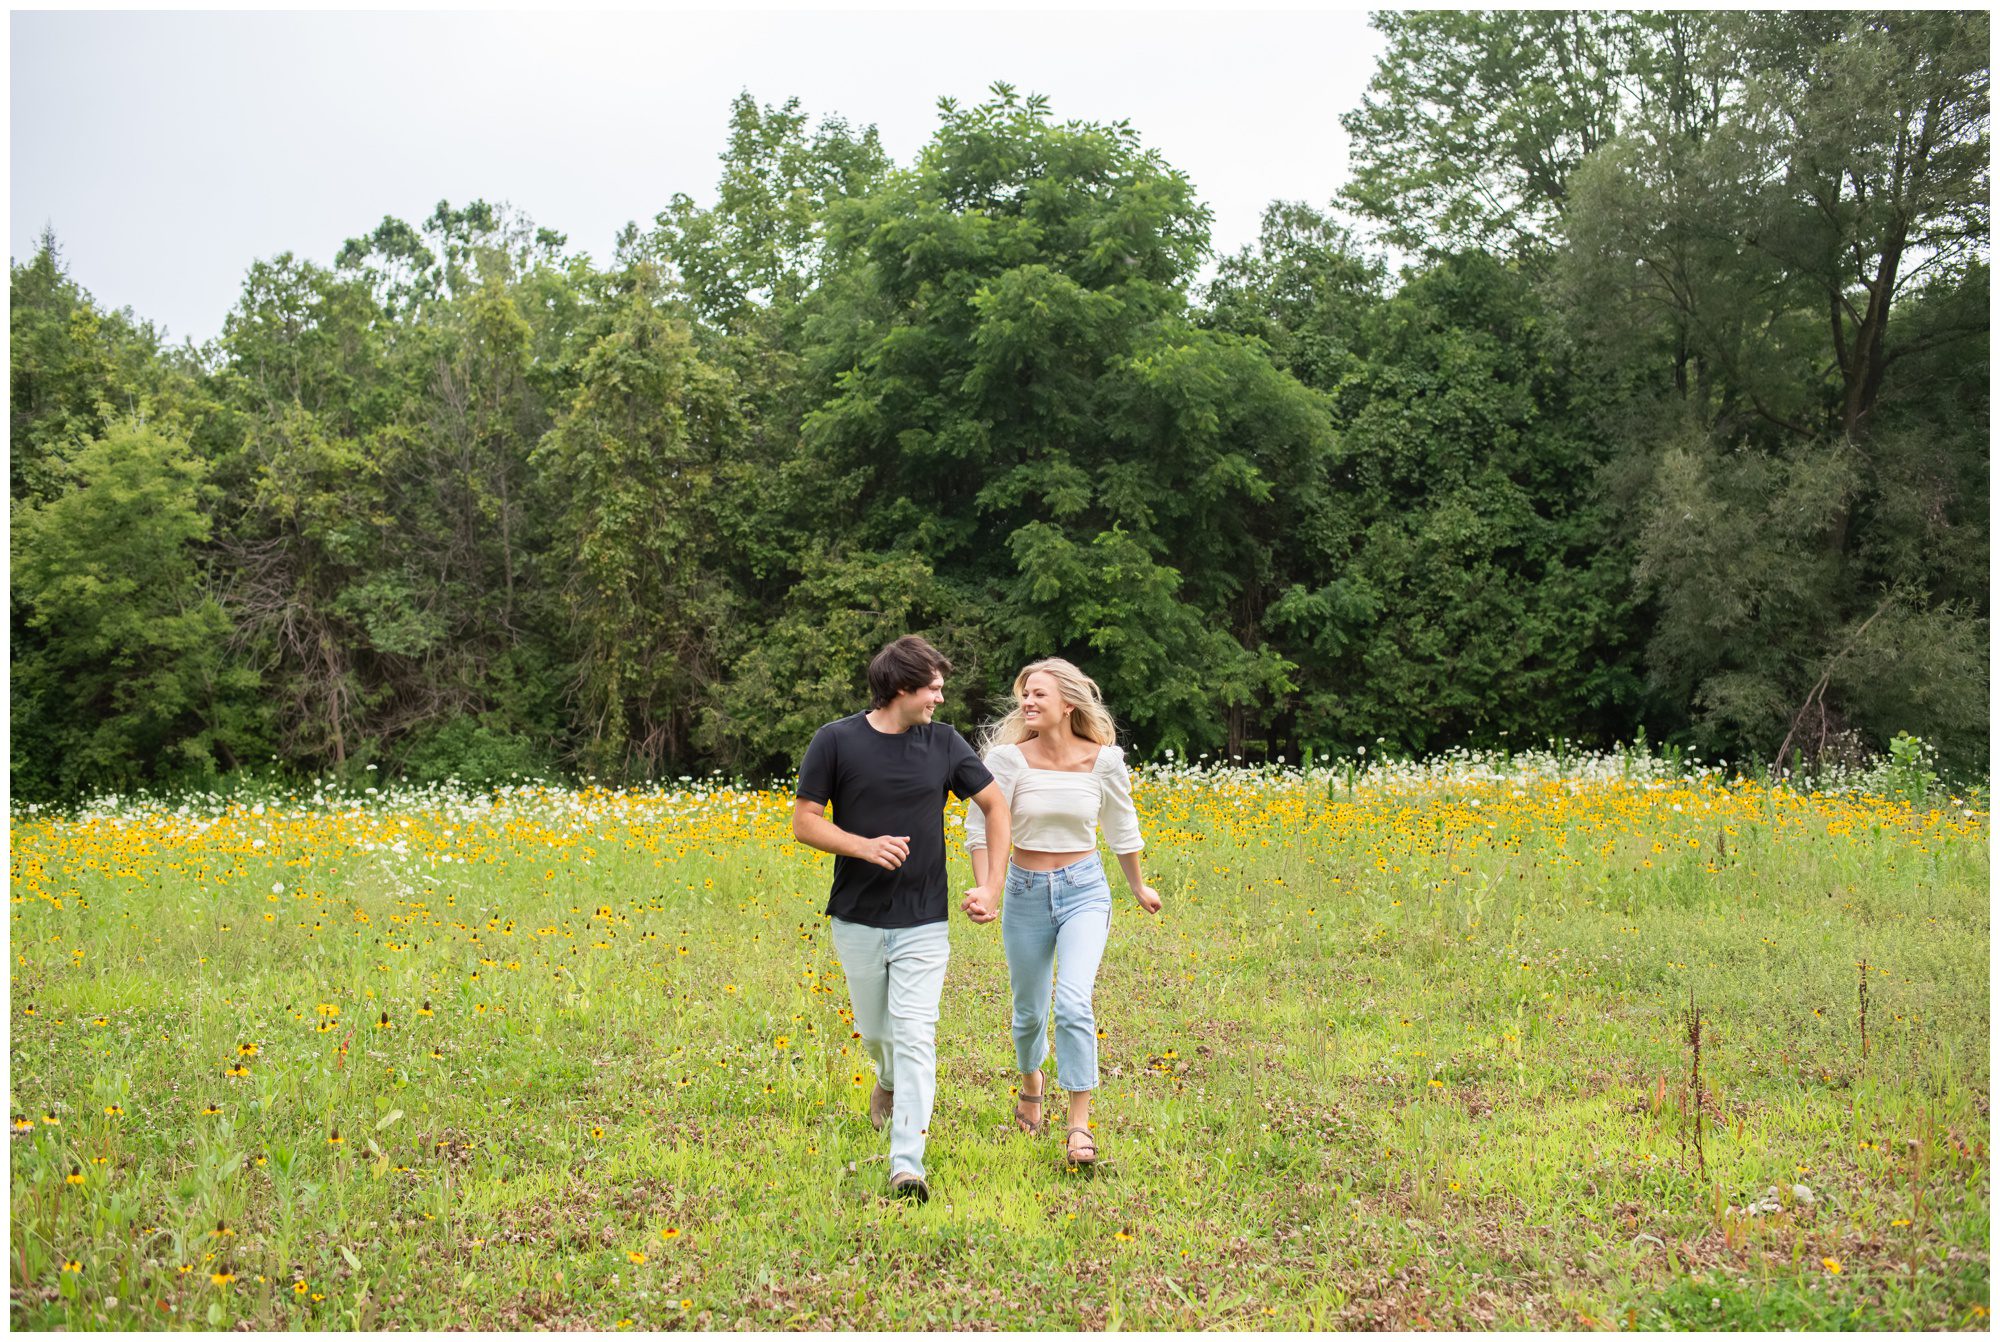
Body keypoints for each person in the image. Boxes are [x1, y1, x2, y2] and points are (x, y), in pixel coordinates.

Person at [792, 635, 1011, 1203]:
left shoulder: (943, 743)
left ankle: (906, 1165)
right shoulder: (835, 741)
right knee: (878, 1032)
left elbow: (995, 805)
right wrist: (863, 847)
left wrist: (991, 885)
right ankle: (885, 1082)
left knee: (916, 1034)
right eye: (933, 688)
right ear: (901, 688)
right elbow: (805, 822)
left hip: (923, 921)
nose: (940, 698)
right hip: (857, 917)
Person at [963, 658, 1161, 1168]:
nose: (1027, 702)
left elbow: (1121, 825)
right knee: (1029, 1013)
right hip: (1025, 893)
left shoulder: (1104, 761)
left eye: (1039, 695)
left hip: (1084, 891)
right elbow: (982, 828)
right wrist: (988, 887)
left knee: (1074, 1001)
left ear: (1068, 703)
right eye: (1024, 694)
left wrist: (1138, 885)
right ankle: (1033, 1082)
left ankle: (1078, 1125)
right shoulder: (1008, 760)